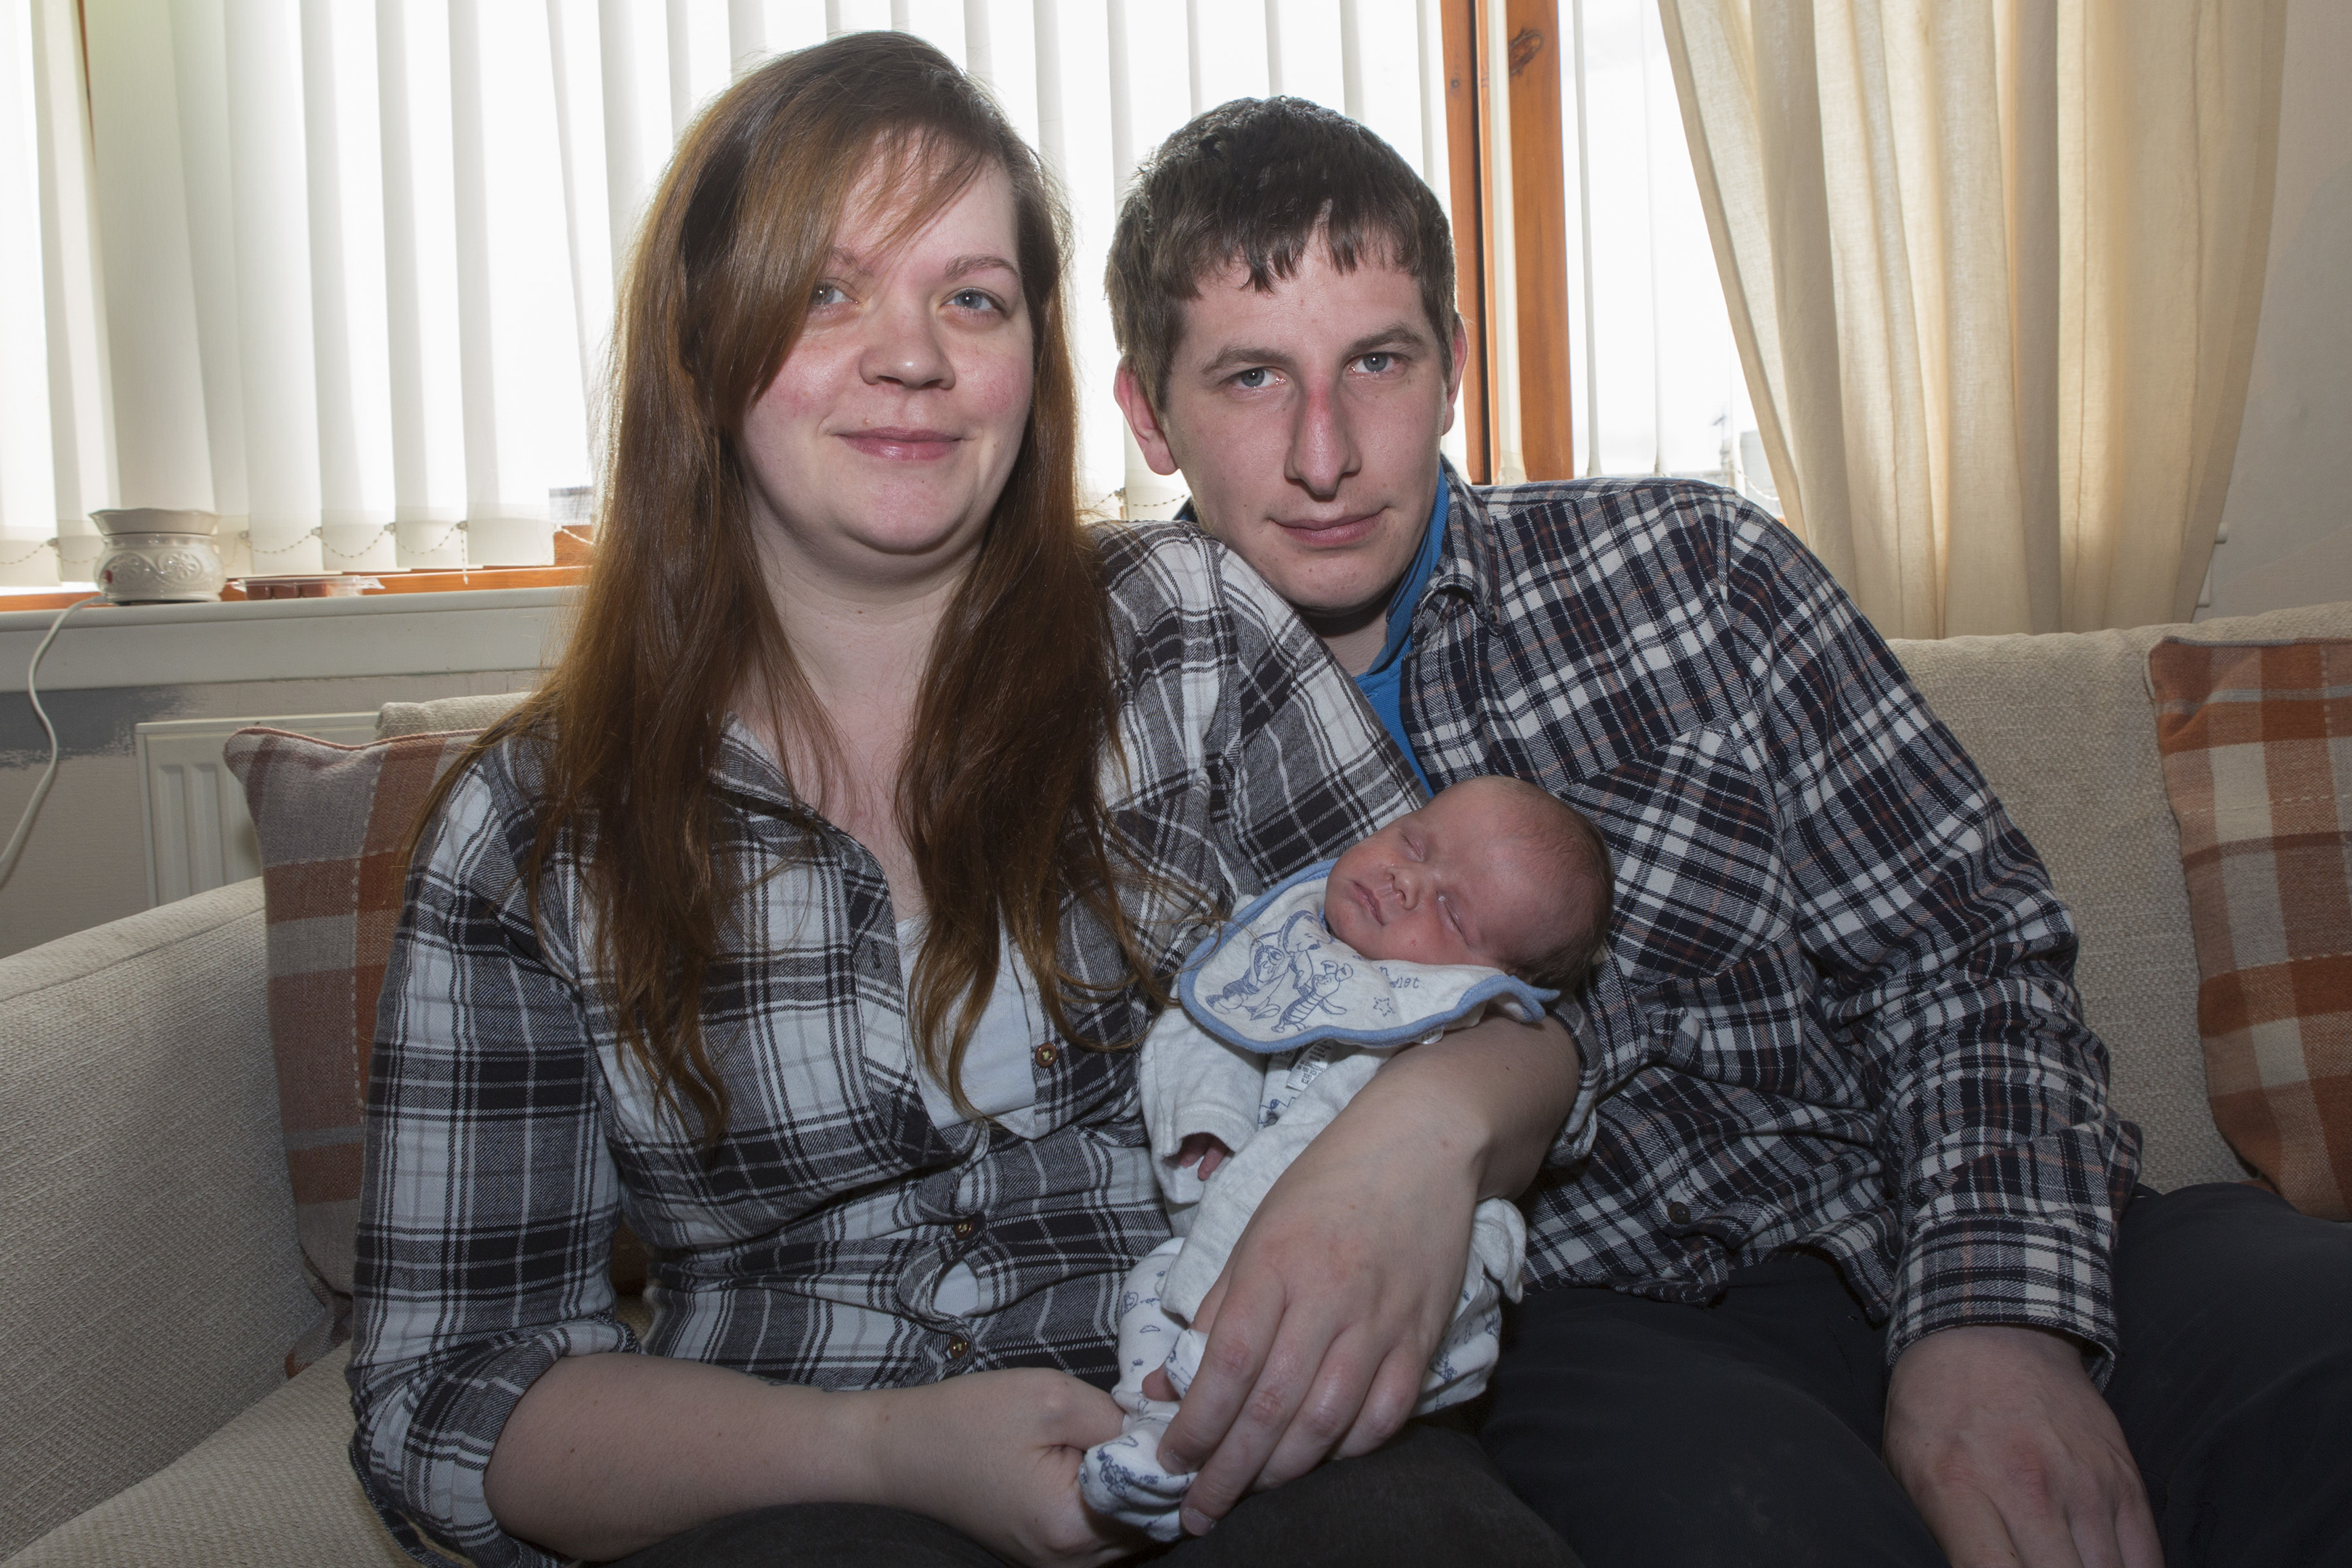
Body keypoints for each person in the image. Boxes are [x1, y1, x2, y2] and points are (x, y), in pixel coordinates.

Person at [347, 38, 1580, 1568]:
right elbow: (446, 1395)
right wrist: (879, 1450)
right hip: (795, 1484)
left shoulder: (1192, 633)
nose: (913, 355)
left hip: (1242, 1425)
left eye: (972, 297)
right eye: (827, 290)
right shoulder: (529, 835)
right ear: (701, 341)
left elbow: (1499, 1018)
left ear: (1035, 361)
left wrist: (1430, 1134)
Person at [1106, 95, 2352, 1567]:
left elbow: (1968, 945)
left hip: (1933, 1202)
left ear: (1453, 368)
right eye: (1253, 377)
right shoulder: (1109, 723)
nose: (1326, 452)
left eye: (1376, 360)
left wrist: (1998, 1318)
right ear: (1147, 414)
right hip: (1592, 1327)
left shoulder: (1692, 567)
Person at [1083, 777, 1614, 1539]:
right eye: (1413, 842)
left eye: (1452, 912)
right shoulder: (1278, 937)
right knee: (1152, 1289)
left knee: (1470, 1278)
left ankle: (1233, 1405)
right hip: (1210, 1242)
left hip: (1385, 1278)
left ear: (1503, 979)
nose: (1406, 881)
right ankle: (1155, 1427)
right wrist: (1204, 1121)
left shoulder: (1468, 1016)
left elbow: (1528, 1100)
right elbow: (1199, 1035)